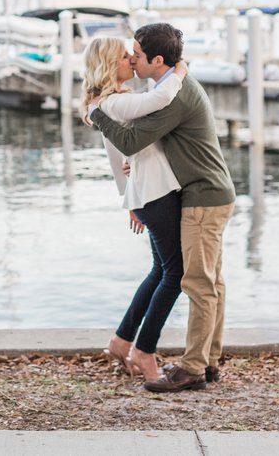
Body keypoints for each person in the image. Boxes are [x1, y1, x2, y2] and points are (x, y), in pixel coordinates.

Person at [89, 23, 235, 393]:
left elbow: (132, 138)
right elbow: (139, 144)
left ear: (156, 59)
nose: (132, 58)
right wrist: (133, 170)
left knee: (196, 283)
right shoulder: (165, 89)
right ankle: (206, 361)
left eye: (136, 53)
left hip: (202, 197)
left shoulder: (174, 93)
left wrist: (96, 113)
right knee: (205, 281)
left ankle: (193, 367)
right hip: (200, 194)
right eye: (128, 53)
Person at [80, 36, 188, 385]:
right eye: (125, 56)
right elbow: (160, 97)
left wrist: (129, 194)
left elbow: (120, 157)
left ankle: (122, 339)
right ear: (111, 65)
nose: (131, 60)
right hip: (155, 194)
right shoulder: (115, 102)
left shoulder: (109, 102)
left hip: (146, 194)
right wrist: (180, 71)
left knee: (161, 270)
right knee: (175, 274)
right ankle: (144, 350)